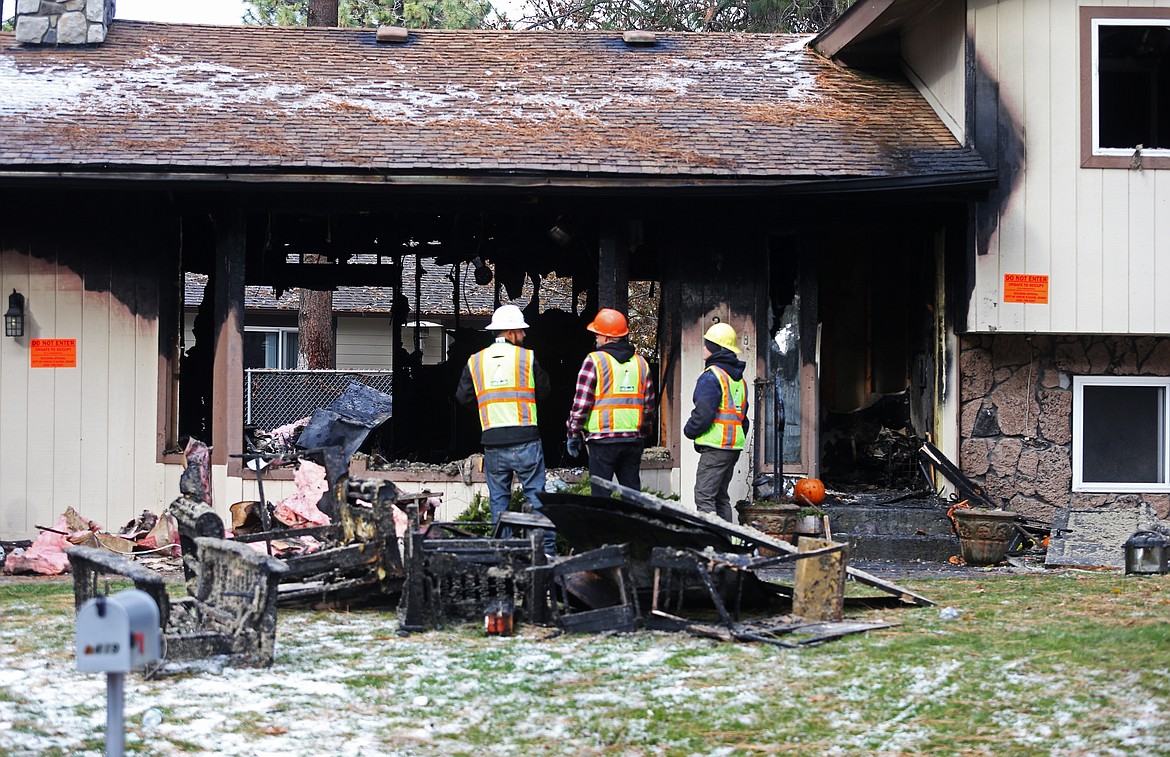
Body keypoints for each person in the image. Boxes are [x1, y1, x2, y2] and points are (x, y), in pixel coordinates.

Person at [456, 304, 553, 549]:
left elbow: (463, 397)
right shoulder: (527, 358)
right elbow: (545, 391)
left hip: (494, 443)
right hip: (526, 440)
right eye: (521, 331)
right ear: (510, 332)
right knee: (536, 497)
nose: (525, 335)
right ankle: (545, 554)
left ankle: (502, 557)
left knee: (499, 501)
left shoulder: (475, 361)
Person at [566, 308, 656, 491]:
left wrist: (573, 433)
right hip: (633, 440)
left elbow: (581, 404)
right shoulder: (641, 363)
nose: (596, 339)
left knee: (601, 497)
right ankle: (632, 520)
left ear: (607, 338)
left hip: (602, 441)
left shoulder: (595, 361)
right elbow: (648, 407)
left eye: (597, 335)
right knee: (632, 495)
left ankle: (603, 521)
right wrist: (643, 433)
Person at [684, 322, 749, 522]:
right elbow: (743, 419)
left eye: (707, 344)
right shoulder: (739, 380)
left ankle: (712, 545)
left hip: (715, 447)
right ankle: (725, 544)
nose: (703, 347)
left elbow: (703, 414)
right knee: (721, 498)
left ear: (715, 348)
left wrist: (690, 431)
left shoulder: (712, 376)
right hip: (732, 447)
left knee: (704, 497)